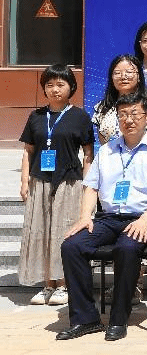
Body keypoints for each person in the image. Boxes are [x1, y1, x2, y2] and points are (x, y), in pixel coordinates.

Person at [57, 93, 147, 341]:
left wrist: (145, 220)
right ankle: (85, 319)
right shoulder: (106, 151)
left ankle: (118, 319)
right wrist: (85, 216)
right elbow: (91, 187)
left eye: (134, 114)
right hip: (109, 218)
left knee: (127, 247)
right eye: (123, 114)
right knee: (72, 246)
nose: (128, 120)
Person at [19, 64, 94, 306]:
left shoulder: (80, 116)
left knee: (63, 231)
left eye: (60, 84)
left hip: (69, 181)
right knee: (41, 231)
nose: (55, 89)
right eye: (49, 85)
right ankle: (47, 285)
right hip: (40, 180)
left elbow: (88, 154)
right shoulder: (36, 116)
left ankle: (63, 284)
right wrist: (24, 181)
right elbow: (28, 151)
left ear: (71, 87)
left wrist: (87, 185)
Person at [94, 54, 147, 144]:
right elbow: (103, 145)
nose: (123, 77)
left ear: (139, 77)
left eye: (129, 72)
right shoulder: (102, 108)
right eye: (117, 73)